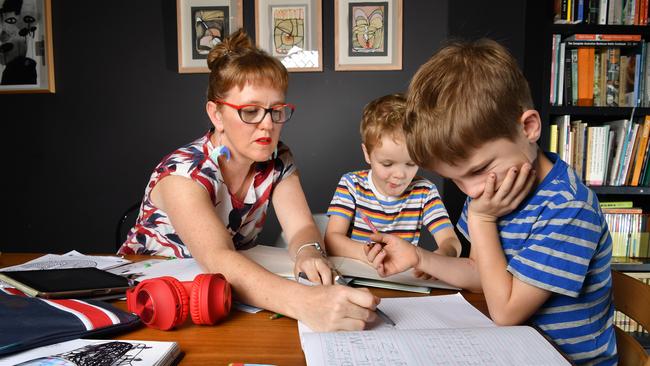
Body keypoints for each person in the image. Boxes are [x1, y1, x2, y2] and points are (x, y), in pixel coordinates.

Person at [365, 39, 617, 364]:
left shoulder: (568, 207)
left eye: (479, 169)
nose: (470, 191)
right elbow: (482, 272)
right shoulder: (492, 190)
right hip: (514, 352)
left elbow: (507, 311)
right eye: (456, 179)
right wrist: (418, 257)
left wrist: (482, 221)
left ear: (528, 127)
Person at [118, 29, 379, 332]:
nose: (267, 124)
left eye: (276, 111)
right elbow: (218, 256)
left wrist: (309, 251)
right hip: (152, 304)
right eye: (251, 111)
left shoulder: (277, 158)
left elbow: (302, 227)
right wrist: (307, 303)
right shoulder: (183, 172)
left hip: (224, 296)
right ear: (216, 114)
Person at [325, 94, 461, 272]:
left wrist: (439, 258)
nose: (400, 175)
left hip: (402, 279)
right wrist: (368, 254)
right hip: (357, 275)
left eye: (411, 164)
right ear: (367, 154)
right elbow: (331, 240)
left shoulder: (425, 192)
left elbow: (451, 242)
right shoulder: (352, 185)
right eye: (387, 164)